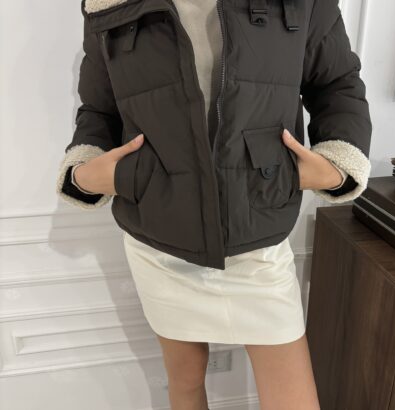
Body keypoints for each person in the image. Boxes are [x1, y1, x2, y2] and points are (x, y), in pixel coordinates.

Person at [56, 1, 372, 409]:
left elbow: (337, 83)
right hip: (159, 236)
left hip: (257, 231)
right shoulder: (110, 1)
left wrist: (337, 163)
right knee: (185, 381)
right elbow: (99, 109)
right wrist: (85, 171)